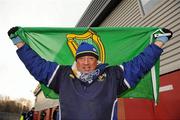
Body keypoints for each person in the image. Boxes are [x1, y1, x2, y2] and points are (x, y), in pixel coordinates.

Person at [8, 27, 172, 120]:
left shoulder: (113, 75)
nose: (86, 62)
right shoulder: (61, 75)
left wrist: (159, 43)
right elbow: (37, 65)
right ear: (76, 61)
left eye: (91, 58)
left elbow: (140, 64)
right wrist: (19, 44)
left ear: (97, 61)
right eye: (82, 58)